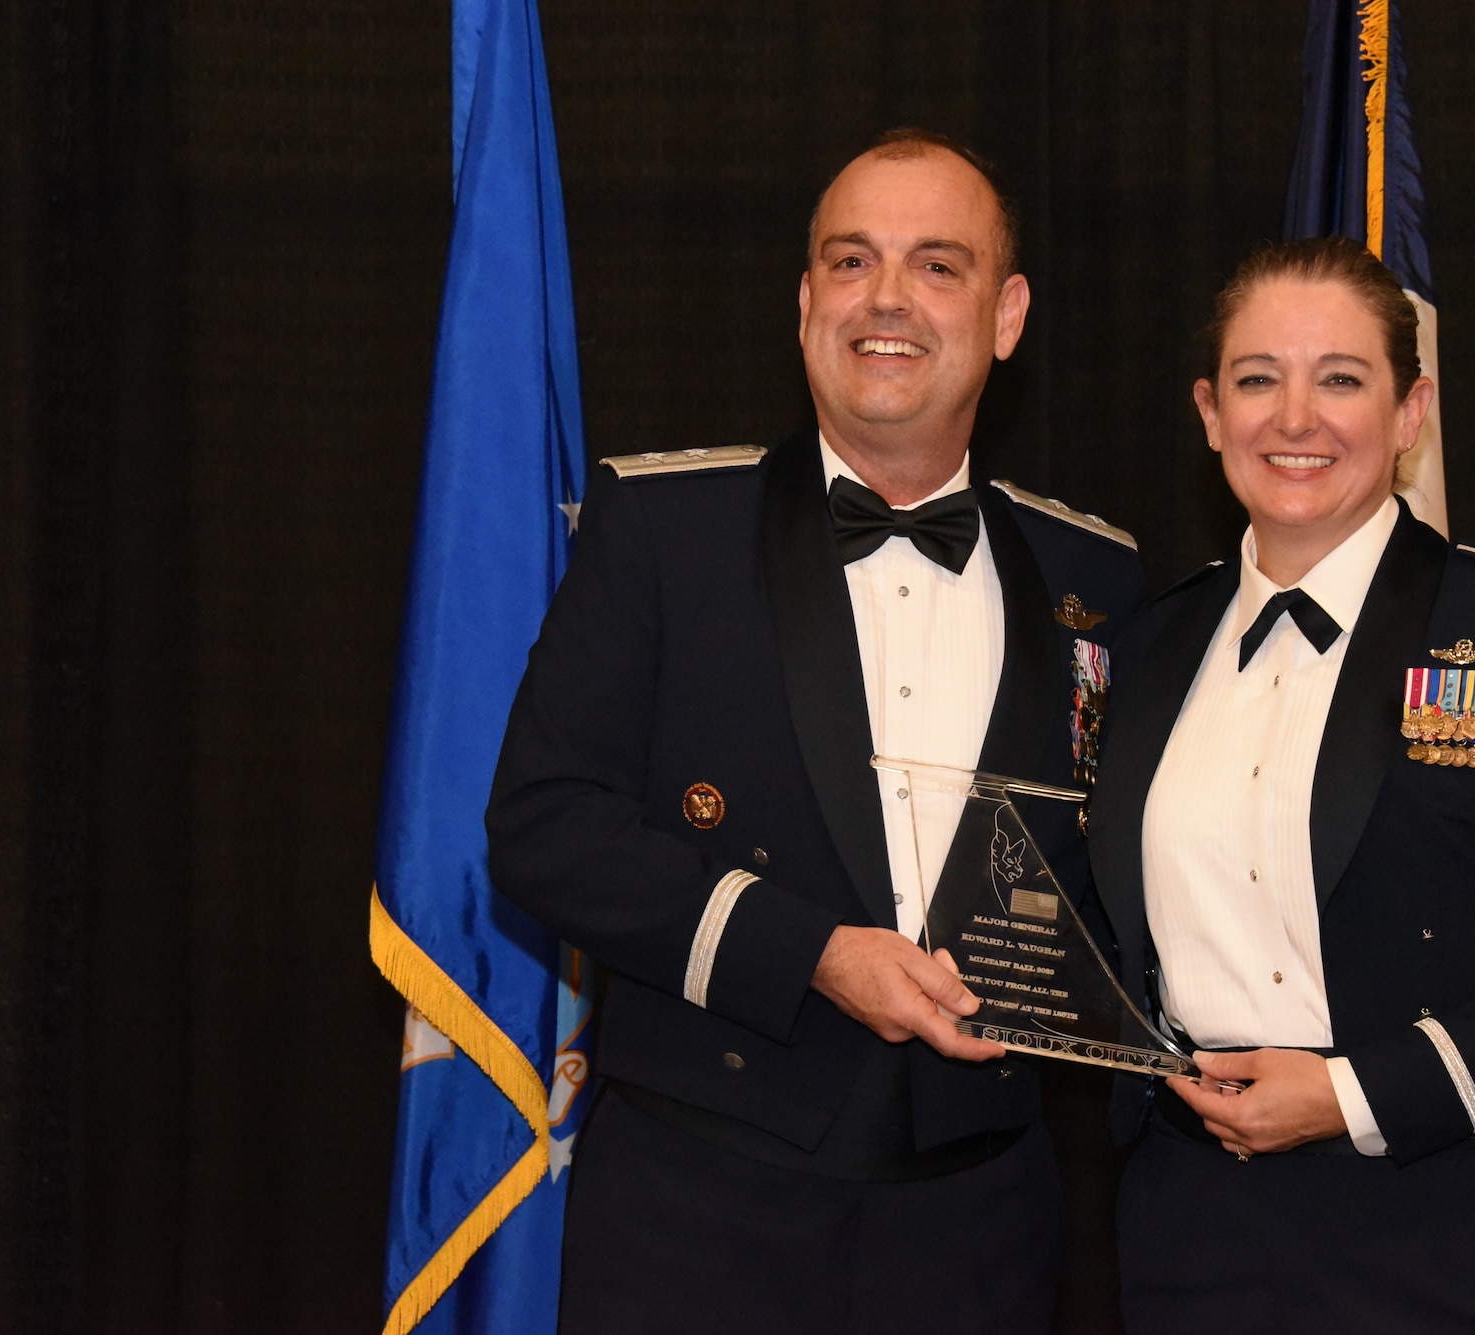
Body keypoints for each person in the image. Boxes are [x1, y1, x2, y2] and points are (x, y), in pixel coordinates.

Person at [486, 128, 1144, 1334]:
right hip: (698, 1216)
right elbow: (540, 830)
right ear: (804, 303)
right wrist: (806, 952)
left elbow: (1130, 876)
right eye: (851, 262)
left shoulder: (1099, 575)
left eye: (936, 266)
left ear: (1005, 316)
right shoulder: (663, 527)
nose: (885, 298)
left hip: (980, 1228)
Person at [1090, 237, 1475, 1333]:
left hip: (1454, 1221)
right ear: (1207, 410)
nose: (1293, 417)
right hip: (1192, 1227)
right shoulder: (1147, 644)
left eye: (1340, 379)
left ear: (1409, 412)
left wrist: (1353, 1095)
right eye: (1256, 378)